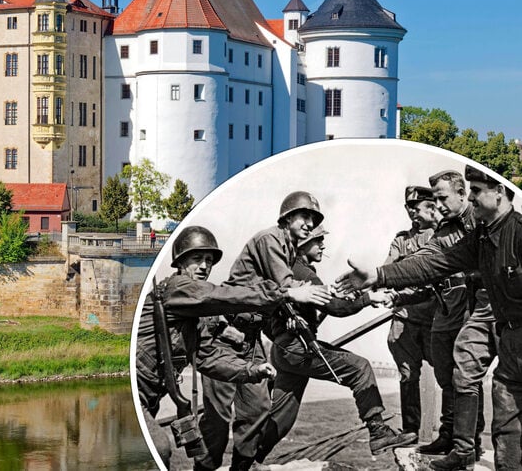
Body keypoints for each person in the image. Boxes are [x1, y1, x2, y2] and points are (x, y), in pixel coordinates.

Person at [199, 191, 413, 471]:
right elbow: (300, 292)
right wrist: (364, 297)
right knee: (217, 423)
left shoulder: (289, 256)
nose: (313, 229)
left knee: (271, 416)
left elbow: (275, 298)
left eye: (314, 221)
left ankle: (244, 465)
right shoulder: (275, 246)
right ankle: (378, 431)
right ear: (288, 219)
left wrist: (286, 318)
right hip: (227, 335)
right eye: (306, 220)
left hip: (253, 340)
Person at [336, 165, 522, 470]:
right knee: (489, 392)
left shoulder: (514, 230)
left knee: (505, 398)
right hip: (495, 322)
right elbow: (432, 263)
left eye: (476, 191)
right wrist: (379, 275)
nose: (471, 198)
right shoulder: (479, 236)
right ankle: (464, 448)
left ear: (499, 191)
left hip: (499, 319)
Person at [134, 225, 332, 468]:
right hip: (135, 389)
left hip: (150, 396)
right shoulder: (178, 288)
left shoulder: (196, 315)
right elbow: (221, 296)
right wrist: (286, 294)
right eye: (197, 259)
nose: (204, 266)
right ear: (180, 262)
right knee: (158, 448)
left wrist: (252, 370)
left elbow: (208, 357)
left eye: (209, 260)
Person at [252, 225, 416, 463]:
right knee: (360, 368)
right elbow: (336, 308)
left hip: (284, 351)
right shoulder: (300, 270)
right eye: (318, 240)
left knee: (281, 419)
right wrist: (368, 298)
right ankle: (378, 432)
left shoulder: (288, 270)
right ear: (302, 244)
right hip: (298, 348)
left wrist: (282, 333)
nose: (323, 245)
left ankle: (246, 460)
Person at [412, 171, 479, 457]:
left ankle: (470, 439)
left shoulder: (481, 218)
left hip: (473, 308)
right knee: (444, 373)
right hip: (446, 309)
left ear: (462, 193)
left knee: (466, 375)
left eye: (443, 198)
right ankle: (449, 434)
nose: (438, 206)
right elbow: (423, 258)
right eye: (435, 200)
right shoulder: (444, 230)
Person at [384, 185, 440, 437]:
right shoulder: (401, 239)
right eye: (408, 207)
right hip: (405, 317)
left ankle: (455, 432)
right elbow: (388, 269)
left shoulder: (440, 235)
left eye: (416, 207)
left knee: (449, 373)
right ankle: (410, 430)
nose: (412, 212)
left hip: (435, 318)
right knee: (408, 374)